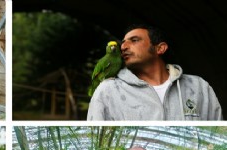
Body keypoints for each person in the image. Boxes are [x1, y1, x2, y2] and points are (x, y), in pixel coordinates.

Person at [88, 24, 222, 120]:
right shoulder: (108, 90)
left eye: (134, 40)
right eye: (122, 43)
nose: (123, 47)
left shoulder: (198, 86)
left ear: (160, 49)